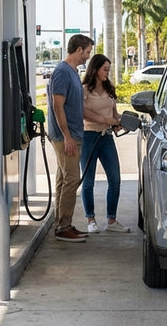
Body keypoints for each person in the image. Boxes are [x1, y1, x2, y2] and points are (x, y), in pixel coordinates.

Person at [47, 33, 95, 242]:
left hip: (73, 134)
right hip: (65, 136)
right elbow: (57, 106)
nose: (87, 57)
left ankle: (61, 224)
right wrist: (66, 136)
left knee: (63, 179)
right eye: (87, 52)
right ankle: (63, 227)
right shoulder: (62, 73)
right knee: (72, 179)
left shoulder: (73, 72)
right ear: (78, 50)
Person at [80, 54, 129, 234]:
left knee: (115, 180)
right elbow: (83, 112)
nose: (107, 73)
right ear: (95, 69)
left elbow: (114, 113)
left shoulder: (110, 89)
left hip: (106, 137)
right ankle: (91, 220)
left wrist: (118, 122)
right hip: (88, 137)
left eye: (108, 69)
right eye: (105, 69)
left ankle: (111, 220)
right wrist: (105, 119)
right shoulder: (84, 89)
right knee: (88, 181)